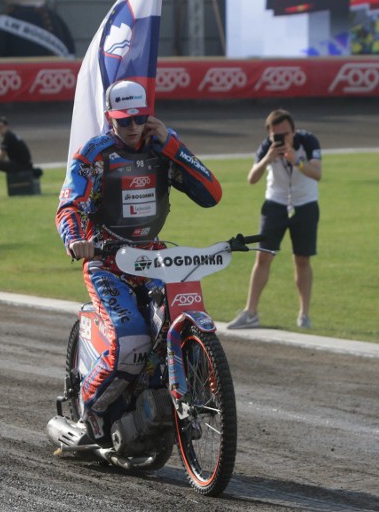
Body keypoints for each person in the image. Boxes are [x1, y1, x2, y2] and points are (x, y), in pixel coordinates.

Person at [55, 79, 222, 444]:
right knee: (131, 342)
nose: (132, 128)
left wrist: (173, 145)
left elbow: (212, 194)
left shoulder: (163, 147)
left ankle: (192, 392)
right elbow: (70, 205)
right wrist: (76, 240)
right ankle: (91, 411)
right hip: (107, 262)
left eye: (139, 118)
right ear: (108, 118)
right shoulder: (94, 154)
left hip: (154, 258)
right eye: (123, 120)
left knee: (183, 316)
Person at [228, 109, 322, 330]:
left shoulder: (307, 141)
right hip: (275, 204)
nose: (282, 139)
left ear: (294, 130)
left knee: (302, 259)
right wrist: (267, 158)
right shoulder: (266, 147)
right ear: (269, 135)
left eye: (286, 134)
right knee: (263, 256)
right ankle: (251, 312)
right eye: (276, 136)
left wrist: (297, 160)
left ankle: (304, 315)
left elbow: (317, 173)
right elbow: (252, 178)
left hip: (305, 204)